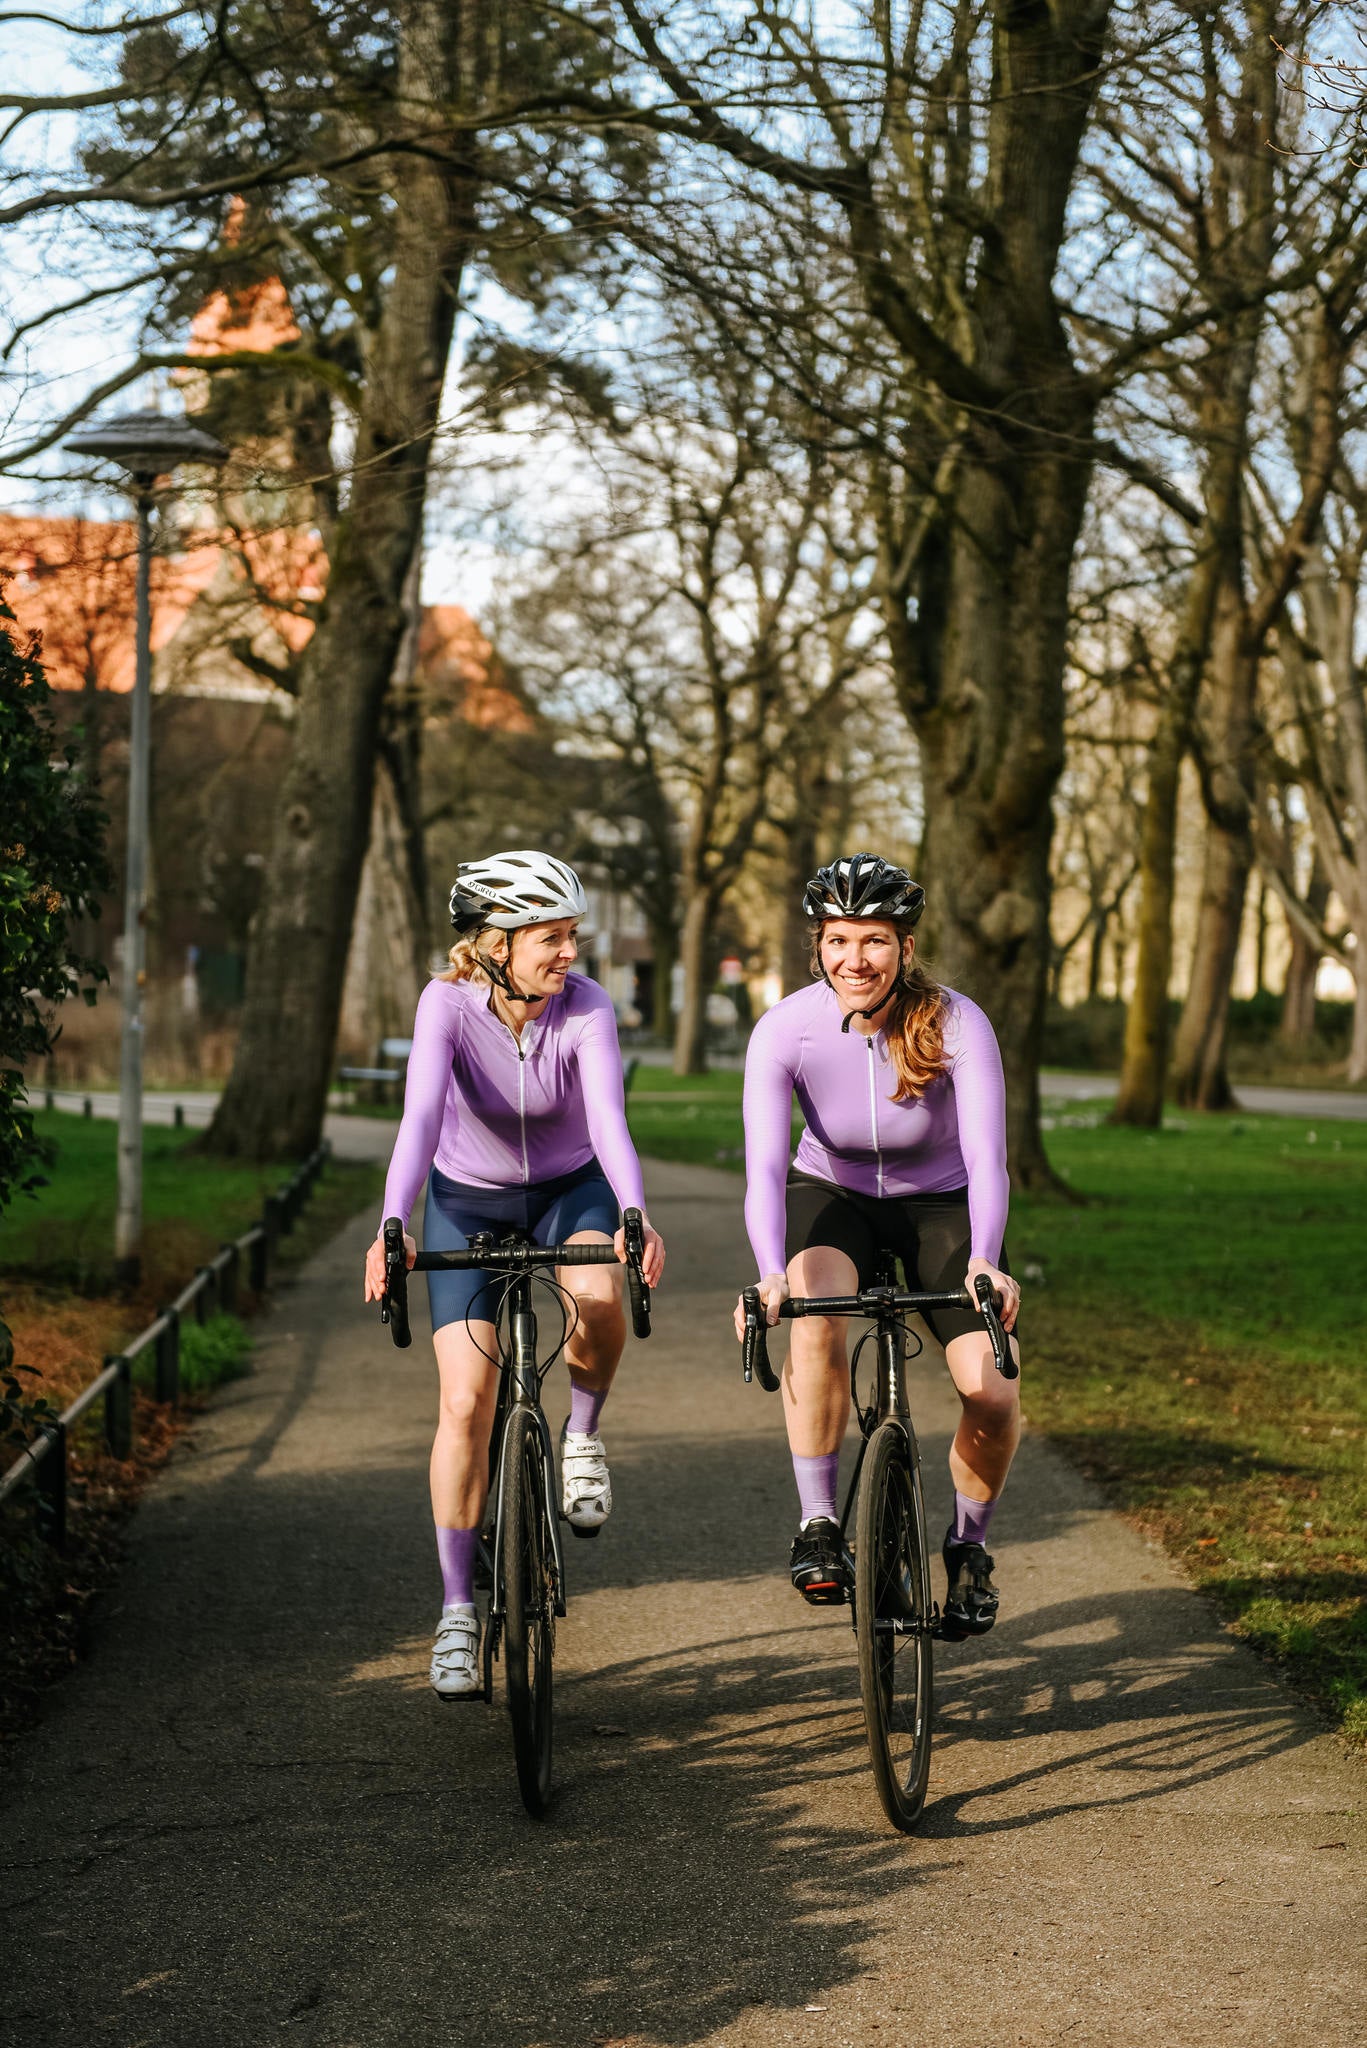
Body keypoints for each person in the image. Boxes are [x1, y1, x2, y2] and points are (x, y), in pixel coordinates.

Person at [363, 850, 665, 1698]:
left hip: (572, 1191)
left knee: (598, 1297)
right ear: (495, 943)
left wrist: (632, 1212)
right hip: (469, 1201)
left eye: (573, 936)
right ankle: (458, 1609)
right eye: (551, 937)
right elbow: (421, 1116)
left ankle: (581, 1437)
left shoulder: (587, 1009)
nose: (569, 953)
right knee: (464, 1401)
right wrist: (393, 1221)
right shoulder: (446, 1006)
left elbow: (606, 1116)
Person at [733, 852, 1021, 1639]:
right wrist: (768, 1273)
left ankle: (967, 1550)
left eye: (873, 941)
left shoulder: (957, 1021)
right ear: (817, 945)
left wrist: (984, 1258)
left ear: (904, 947)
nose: (853, 959)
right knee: (815, 1315)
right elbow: (762, 1165)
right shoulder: (785, 1029)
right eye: (836, 940)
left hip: (942, 1205)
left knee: (991, 1391)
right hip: (831, 1195)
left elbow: (988, 1156)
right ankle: (819, 1522)